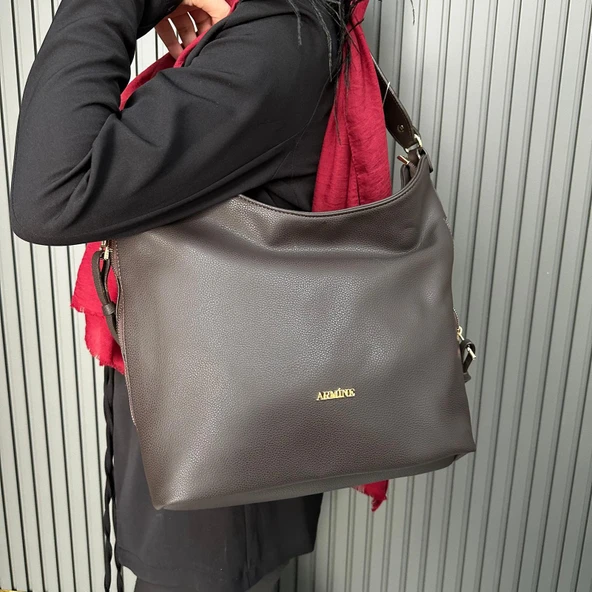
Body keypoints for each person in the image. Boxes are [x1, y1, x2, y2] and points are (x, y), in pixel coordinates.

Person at [9, 0, 364, 590]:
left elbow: (51, 191)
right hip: (210, 425)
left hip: (216, 465)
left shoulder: (277, 43)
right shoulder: (277, 31)